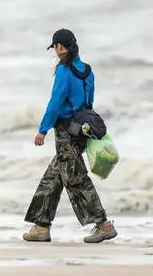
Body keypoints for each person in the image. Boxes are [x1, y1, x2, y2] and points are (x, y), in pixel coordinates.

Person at [22, 28, 117, 244]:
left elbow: (55, 102)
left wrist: (43, 129)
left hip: (66, 131)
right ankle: (41, 226)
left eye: (56, 46)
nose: (56, 50)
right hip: (82, 127)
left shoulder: (64, 71)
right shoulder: (87, 70)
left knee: (75, 178)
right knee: (53, 177)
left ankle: (103, 225)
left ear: (61, 47)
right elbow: (89, 101)